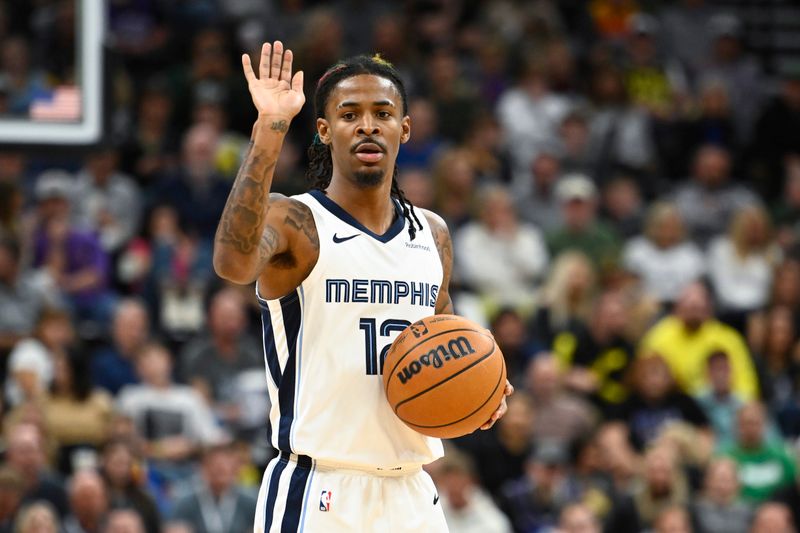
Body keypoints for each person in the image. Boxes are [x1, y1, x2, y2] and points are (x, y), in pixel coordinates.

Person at [212, 41, 512, 532]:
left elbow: (445, 338)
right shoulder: (296, 221)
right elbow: (231, 262)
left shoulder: (431, 234)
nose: (367, 124)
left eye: (383, 113)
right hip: (320, 487)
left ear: (405, 129)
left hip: (413, 491)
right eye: (350, 114)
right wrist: (270, 127)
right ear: (326, 132)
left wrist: (483, 387)